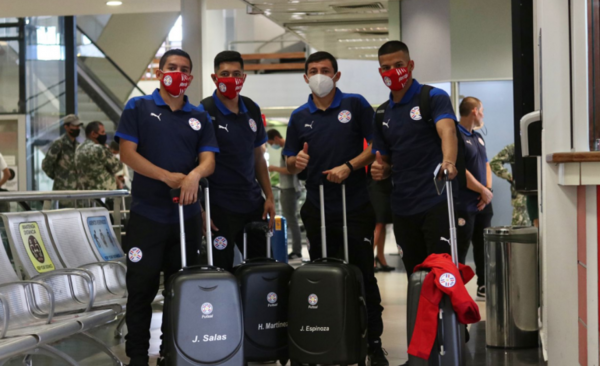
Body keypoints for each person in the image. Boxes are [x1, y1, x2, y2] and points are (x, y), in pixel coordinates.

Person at [284, 51, 388, 366]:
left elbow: (376, 147)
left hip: (355, 205)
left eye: (325, 70)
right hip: (317, 207)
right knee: (321, 275)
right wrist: (295, 162)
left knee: (362, 275)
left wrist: (348, 166)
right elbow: (289, 161)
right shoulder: (299, 115)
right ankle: (326, 338)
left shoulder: (354, 105)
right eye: (313, 70)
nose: (319, 75)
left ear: (337, 75)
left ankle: (373, 343)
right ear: (305, 77)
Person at [115, 49, 218, 366]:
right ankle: (137, 356)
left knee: (181, 291)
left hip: (185, 220)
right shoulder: (139, 107)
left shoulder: (199, 115)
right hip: (147, 218)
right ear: (160, 72)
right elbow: (127, 154)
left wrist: (194, 177)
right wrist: (166, 176)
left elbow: (209, 159)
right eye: (172, 67)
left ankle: (171, 352)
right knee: (141, 290)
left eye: (185, 69)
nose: (178, 73)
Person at [371, 41, 459, 280]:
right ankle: (421, 318)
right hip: (402, 207)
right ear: (380, 72)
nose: (393, 71)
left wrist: (448, 162)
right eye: (386, 67)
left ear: (410, 65)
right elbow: (386, 160)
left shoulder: (432, 97)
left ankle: (448, 319)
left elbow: (447, 131)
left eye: (398, 65)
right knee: (415, 276)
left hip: (436, 201)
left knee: (443, 274)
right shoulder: (381, 114)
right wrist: (381, 170)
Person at [199, 50, 275, 271]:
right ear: (214, 78)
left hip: (253, 204)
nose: (230, 79)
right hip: (219, 207)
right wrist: (202, 209)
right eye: (224, 74)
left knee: (262, 268)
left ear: (243, 78)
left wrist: (269, 196)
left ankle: (257, 306)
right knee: (221, 271)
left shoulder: (251, 108)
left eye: (236, 74)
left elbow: (258, 156)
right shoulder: (204, 111)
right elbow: (195, 162)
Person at [455, 97, 493, 300]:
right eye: (482, 111)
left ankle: (483, 285)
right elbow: (461, 171)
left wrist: (487, 191)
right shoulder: (456, 136)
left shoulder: (478, 137)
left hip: (483, 202)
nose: (483, 115)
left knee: (483, 245)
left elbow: (486, 165)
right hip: (465, 203)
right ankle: (458, 288)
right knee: (462, 246)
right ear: (474, 111)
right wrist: (482, 191)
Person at [266, 129, 304, 260]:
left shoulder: (287, 150)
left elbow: (291, 170)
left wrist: (274, 168)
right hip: (291, 188)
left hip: (289, 188)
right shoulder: (288, 149)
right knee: (291, 219)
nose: (272, 146)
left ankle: (296, 250)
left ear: (276, 138)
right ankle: (296, 249)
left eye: (271, 143)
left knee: (291, 220)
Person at [489, 143, 531, 226]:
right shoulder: (517, 147)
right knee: (520, 235)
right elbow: (494, 162)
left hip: (543, 198)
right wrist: (511, 177)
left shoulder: (545, 144)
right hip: (522, 201)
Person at [75, 121, 123, 190]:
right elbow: (118, 166)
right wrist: (108, 151)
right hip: (101, 192)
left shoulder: (78, 148)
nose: (104, 134)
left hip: (84, 191)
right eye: (102, 132)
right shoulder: (99, 149)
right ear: (93, 134)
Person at [42, 114, 82, 192]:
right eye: (74, 126)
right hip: (62, 191)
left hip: (77, 191)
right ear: (66, 127)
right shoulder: (59, 144)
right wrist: (58, 177)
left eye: (78, 126)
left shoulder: (78, 145)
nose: (77, 128)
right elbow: (46, 165)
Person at [367, 167, 395, 272]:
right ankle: (369, 258)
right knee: (378, 222)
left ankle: (380, 256)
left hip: (387, 182)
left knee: (383, 222)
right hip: (375, 184)